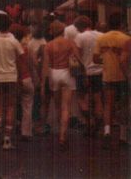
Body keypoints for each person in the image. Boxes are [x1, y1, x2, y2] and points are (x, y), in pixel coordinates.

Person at [0, 13, 24, 150]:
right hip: (12, 77)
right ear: (9, 25)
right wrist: (20, 77)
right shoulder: (14, 41)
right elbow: (20, 61)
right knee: (10, 107)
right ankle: (7, 140)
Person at [94, 12, 131, 149]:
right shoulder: (126, 38)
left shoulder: (102, 39)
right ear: (121, 24)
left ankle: (107, 131)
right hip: (122, 76)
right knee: (123, 105)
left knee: (108, 105)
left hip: (107, 75)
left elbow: (95, 59)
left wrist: (106, 59)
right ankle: (122, 135)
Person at [42, 20, 79, 150]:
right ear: (63, 31)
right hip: (67, 73)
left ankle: (60, 131)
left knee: (58, 106)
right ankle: (63, 135)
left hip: (54, 73)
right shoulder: (70, 43)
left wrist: (43, 83)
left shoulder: (48, 45)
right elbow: (77, 58)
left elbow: (46, 65)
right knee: (66, 107)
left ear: (52, 31)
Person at [73, 15, 103, 137]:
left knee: (81, 97)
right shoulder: (101, 35)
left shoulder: (80, 37)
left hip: (84, 71)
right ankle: (98, 123)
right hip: (100, 71)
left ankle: (89, 121)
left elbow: (76, 54)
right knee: (98, 98)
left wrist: (81, 68)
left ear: (79, 27)